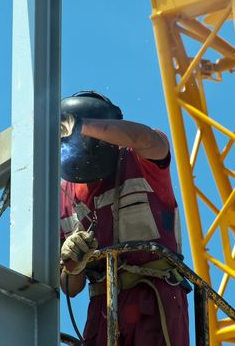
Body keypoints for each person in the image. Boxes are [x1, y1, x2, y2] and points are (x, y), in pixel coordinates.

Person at [59, 91, 189, 346]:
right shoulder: (64, 194)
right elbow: (71, 288)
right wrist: (72, 263)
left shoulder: (141, 160)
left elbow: (144, 137)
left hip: (154, 301)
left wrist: (82, 125)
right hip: (103, 308)